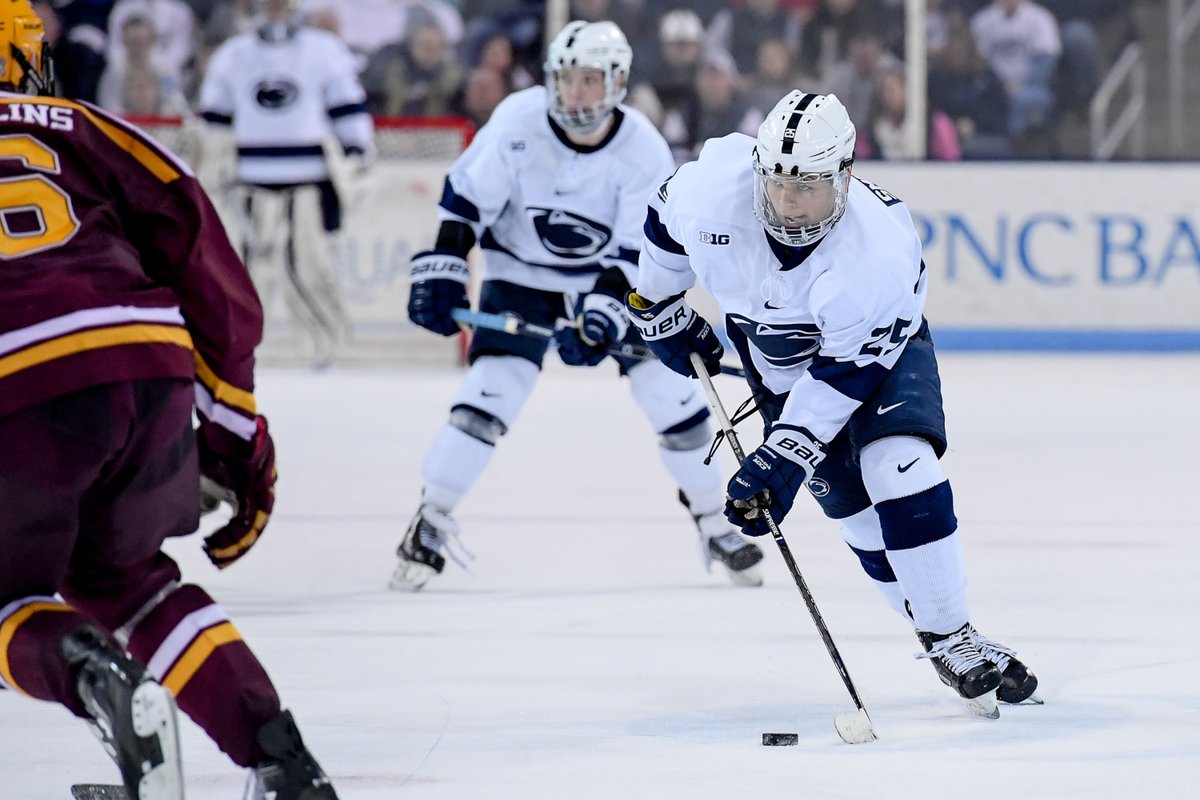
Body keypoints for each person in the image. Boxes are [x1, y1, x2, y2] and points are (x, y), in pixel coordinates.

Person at [0, 3, 337, 797]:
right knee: (130, 582)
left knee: (11, 601)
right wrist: (234, 440)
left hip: (16, 380)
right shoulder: (90, 126)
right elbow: (206, 263)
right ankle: (280, 762)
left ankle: (92, 676)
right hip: (141, 358)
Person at [624, 90, 1039, 716]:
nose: (788, 203)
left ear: (844, 176)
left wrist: (784, 454)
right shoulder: (713, 190)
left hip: (877, 357)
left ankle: (953, 634)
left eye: (808, 187)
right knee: (858, 517)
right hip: (777, 363)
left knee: (896, 465)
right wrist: (658, 305)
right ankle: (937, 635)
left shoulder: (877, 252)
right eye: (777, 183)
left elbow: (845, 375)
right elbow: (664, 216)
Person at [396, 19, 764, 591]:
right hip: (520, 279)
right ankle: (430, 518)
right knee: (490, 392)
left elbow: (639, 252)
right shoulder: (518, 120)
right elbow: (465, 200)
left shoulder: (642, 146)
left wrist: (601, 315)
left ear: (616, 83)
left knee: (672, 397)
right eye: (566, 78)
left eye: (589, 80)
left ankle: (714, 522)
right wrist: (446, 264)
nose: (575, 93)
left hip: (608, 278)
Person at [199, 0, 374, 366]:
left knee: (307, 266)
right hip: (249, 181)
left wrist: (357, 148)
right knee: (245, 270)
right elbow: (214, 121)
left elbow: (347, 106)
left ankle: (330, 347)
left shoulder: (324, 50)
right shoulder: (234, 55)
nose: (277, 8)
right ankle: (240, 349)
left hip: (308, 179)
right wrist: (211, 160)